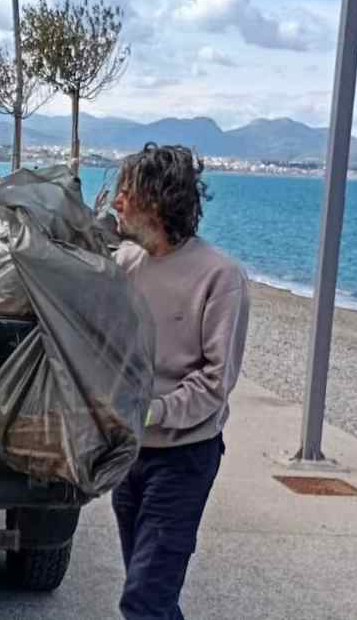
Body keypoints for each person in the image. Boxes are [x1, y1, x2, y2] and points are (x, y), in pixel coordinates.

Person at [110, 143, 250, 619]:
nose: (115, 202)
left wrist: (153, 410)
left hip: (184, 458)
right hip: (129, 452)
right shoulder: (125, 266)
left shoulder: (220, 277)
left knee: (144, 599)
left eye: (124, 191)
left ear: (155, 199)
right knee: (151, 593)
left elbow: (216, 382)